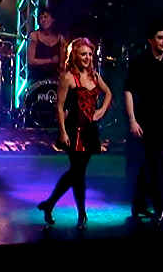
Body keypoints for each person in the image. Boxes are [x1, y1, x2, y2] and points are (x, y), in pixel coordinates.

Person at [36, 38, 112, 229]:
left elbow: (108, 93)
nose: (87, 58)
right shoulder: (67, 78)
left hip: (89, 130)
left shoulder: (94, 76)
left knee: (77, 172)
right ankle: (81, 215)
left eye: (89, 54)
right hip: (73, 131)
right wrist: (62, 132)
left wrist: (101, 111)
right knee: (78, 172)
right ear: (74, 55)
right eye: (83, 54)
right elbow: (59, 107)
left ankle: (50, 204)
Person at [125, 23, 163, 224]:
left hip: (161, 119)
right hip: (144, 118)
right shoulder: (140, 62)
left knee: (148, 163)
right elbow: (129, 90)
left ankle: (138, 203)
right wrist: (132, 120)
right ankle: (159, 206)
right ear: (151, 40)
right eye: (160, 37)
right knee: (154, 164)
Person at [26, 10, 65, 81]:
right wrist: (50, 60)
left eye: (45, 17)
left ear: (53, 19)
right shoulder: (34, 36)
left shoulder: (60, 38)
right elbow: (31, 61)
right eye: (41, 18)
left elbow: (62, 63)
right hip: (37, 77)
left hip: (54, 78)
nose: (43, 20)